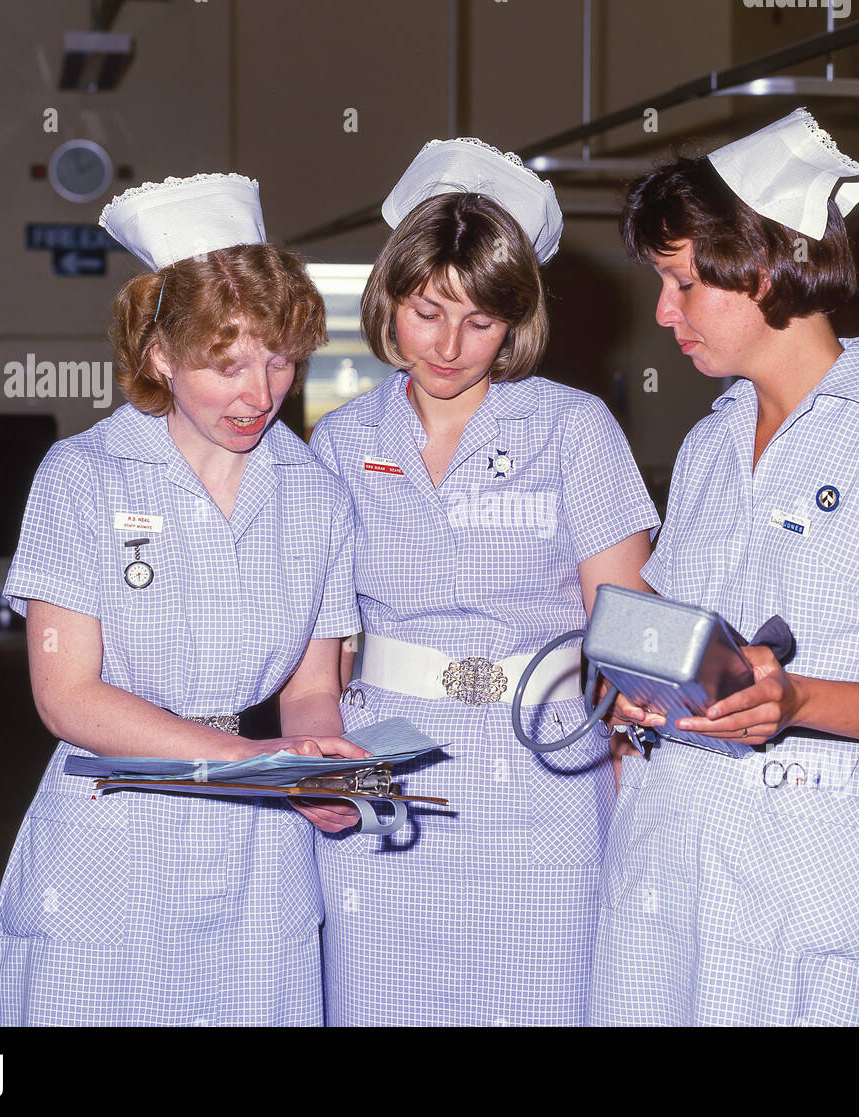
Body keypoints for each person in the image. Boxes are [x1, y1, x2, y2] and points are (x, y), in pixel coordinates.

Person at [589, 109, 859, 1026]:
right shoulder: (707, 447)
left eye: (683, 284)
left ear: (766, 269)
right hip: (665, 846)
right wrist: (629, 687)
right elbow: (666, 632)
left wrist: (802, 700)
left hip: (804, 852)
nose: (664, 313)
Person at [0, 172, 363, 1026]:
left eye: (278, 359)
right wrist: (253, 767)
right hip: (111, 829)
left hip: (260, 857)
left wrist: (323, 768)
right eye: (223, 365)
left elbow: (308, 688)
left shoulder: (316, 494)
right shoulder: (79, 478)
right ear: (158, 355)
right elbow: (66, 693)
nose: (259, 394)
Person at [309, 138, 660, 1026]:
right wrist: (315, 757)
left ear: (516, 320)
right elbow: (315, 638)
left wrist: (639, 774)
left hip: (541, 763)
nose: (450, 345)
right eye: (428, 312)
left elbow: (627, 626)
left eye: (480, 320)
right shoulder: (342, 441)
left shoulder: (574, 430)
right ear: (390, 299)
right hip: (386, 756)